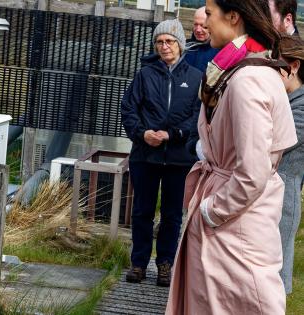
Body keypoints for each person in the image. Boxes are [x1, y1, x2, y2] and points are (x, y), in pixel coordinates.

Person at [165, 0, 298, 314]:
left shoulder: (247, 80)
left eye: (210, 14)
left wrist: (212, 212)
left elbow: (252, 173)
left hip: (234, 226)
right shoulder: (242, 69)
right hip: (234, 222)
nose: (204, 23)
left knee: (236, 302)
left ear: (234, 17)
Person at [121, 19, 202, 287]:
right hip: (145, 155)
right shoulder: (144, 75)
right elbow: (129, 109)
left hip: (179, 158)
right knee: (142, 210)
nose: (164, 46)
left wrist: (173, 135)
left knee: (172, 215)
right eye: (159, 42)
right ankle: (139, 263)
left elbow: (197, 117)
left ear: (180, 44)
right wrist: (143, 134)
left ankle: (165, 263)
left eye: (169, 41)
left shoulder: (194, 78)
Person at [277, 35, 304, 295]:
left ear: (293, 66)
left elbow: (276, 142)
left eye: (276, 66)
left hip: (283, 203)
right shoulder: (286, 99)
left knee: (276, 275)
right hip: (270, 198)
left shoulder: (302, 106)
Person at [184, 6, 219, 73]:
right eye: (195, 24)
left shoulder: (220, 52)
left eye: (203, 26)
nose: (198, 30)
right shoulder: (185, 47)